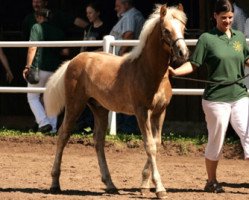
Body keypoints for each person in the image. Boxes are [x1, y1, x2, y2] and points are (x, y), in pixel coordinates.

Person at [168, 0, 249, 193]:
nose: (227, 21)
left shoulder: (239, 38)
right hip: (216, 99)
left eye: (230, 18)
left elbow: (246, 60)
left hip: (239, 95)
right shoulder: (206, 38)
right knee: (217, 138)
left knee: (248, 134)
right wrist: (176, 72)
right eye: (223, 18)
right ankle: (211, 181)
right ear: (215, 16)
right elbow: (194, 64)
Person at [22, 8, 66, 134]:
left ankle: (43, 122)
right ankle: (52, 129)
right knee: (50, 98)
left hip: (39, 69)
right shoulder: (58, 31)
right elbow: (65, 51)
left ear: (38, 17)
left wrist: (27, 66)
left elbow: (32, 48)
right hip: (55, 71)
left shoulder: (36, 27)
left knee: (32, 97)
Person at [22, 0, 88, 41]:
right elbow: (25, 39)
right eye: (34, 2)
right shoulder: (28, 19)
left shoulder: (55, 15)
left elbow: (73, 20)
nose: (36, 4)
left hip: (52, 55)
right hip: (35, 55)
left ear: (45, 3)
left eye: (39, 2)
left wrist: (90, 27)